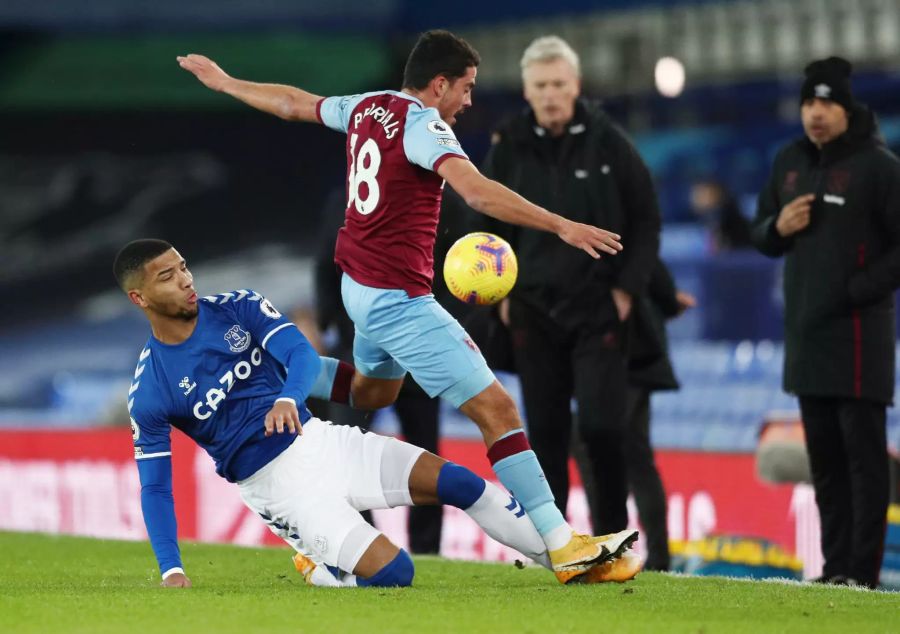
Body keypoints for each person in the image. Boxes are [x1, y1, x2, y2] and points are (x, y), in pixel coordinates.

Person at [176, 29, 637, 584]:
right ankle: (565, 548)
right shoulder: (424, 125)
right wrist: (561, 223)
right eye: (464, 88)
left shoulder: (368, 107)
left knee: (375, 392)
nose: (468, 101)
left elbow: (293, 103)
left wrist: (226, 83)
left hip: (359, 288)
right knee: (499, 411)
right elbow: (478, 192)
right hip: (397, 300)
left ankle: (269, 370)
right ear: (438, 84)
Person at [116, 239, 642, 588]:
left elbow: (299, 355)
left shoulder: (236, 305)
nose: (185, 280)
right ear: (140, 297)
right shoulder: (151, 389)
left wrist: (287, 398)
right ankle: (321, 566)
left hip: (319, 441)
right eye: (168, 276)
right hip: (278, 488)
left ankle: (570, 561)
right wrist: (171, 569)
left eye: (184, 267)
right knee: (397, 574)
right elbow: (155, 486)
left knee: (462, 484)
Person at [460, 35, 661, 533]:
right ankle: (555, 542)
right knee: (545, 434)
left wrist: (626, 290)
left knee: (602, 429)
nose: (550, 93)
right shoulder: (508, 146)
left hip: (599, 308)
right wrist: (499, 298)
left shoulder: (609, 141)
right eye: (540, 85)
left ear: (576, 86)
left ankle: (614, 537)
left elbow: (647, 219)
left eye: (558, 84)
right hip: (532, 309)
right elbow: (486, 221)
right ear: (526, 91)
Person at [751, 56, 900, 589]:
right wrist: (777, 225)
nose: (816, 113)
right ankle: (834, 569)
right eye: (809, 103)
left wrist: (858, 290)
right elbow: (760, 235)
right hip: (807, 336)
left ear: (846, 107)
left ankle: (862, 574)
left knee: (864, 464)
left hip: (861, 338)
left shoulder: (879, 167)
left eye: (827, 103)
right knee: (826, 465)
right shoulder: (788, 160)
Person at [315, 189, 444, 554]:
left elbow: (451, 270)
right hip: (356, 348)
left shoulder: (434, 197)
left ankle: (427, 551)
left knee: (426, 453)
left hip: (417, 348)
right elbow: (326, 261)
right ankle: (364, 544)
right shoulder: (351, 194)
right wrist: (331, 327)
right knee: (346, 448)